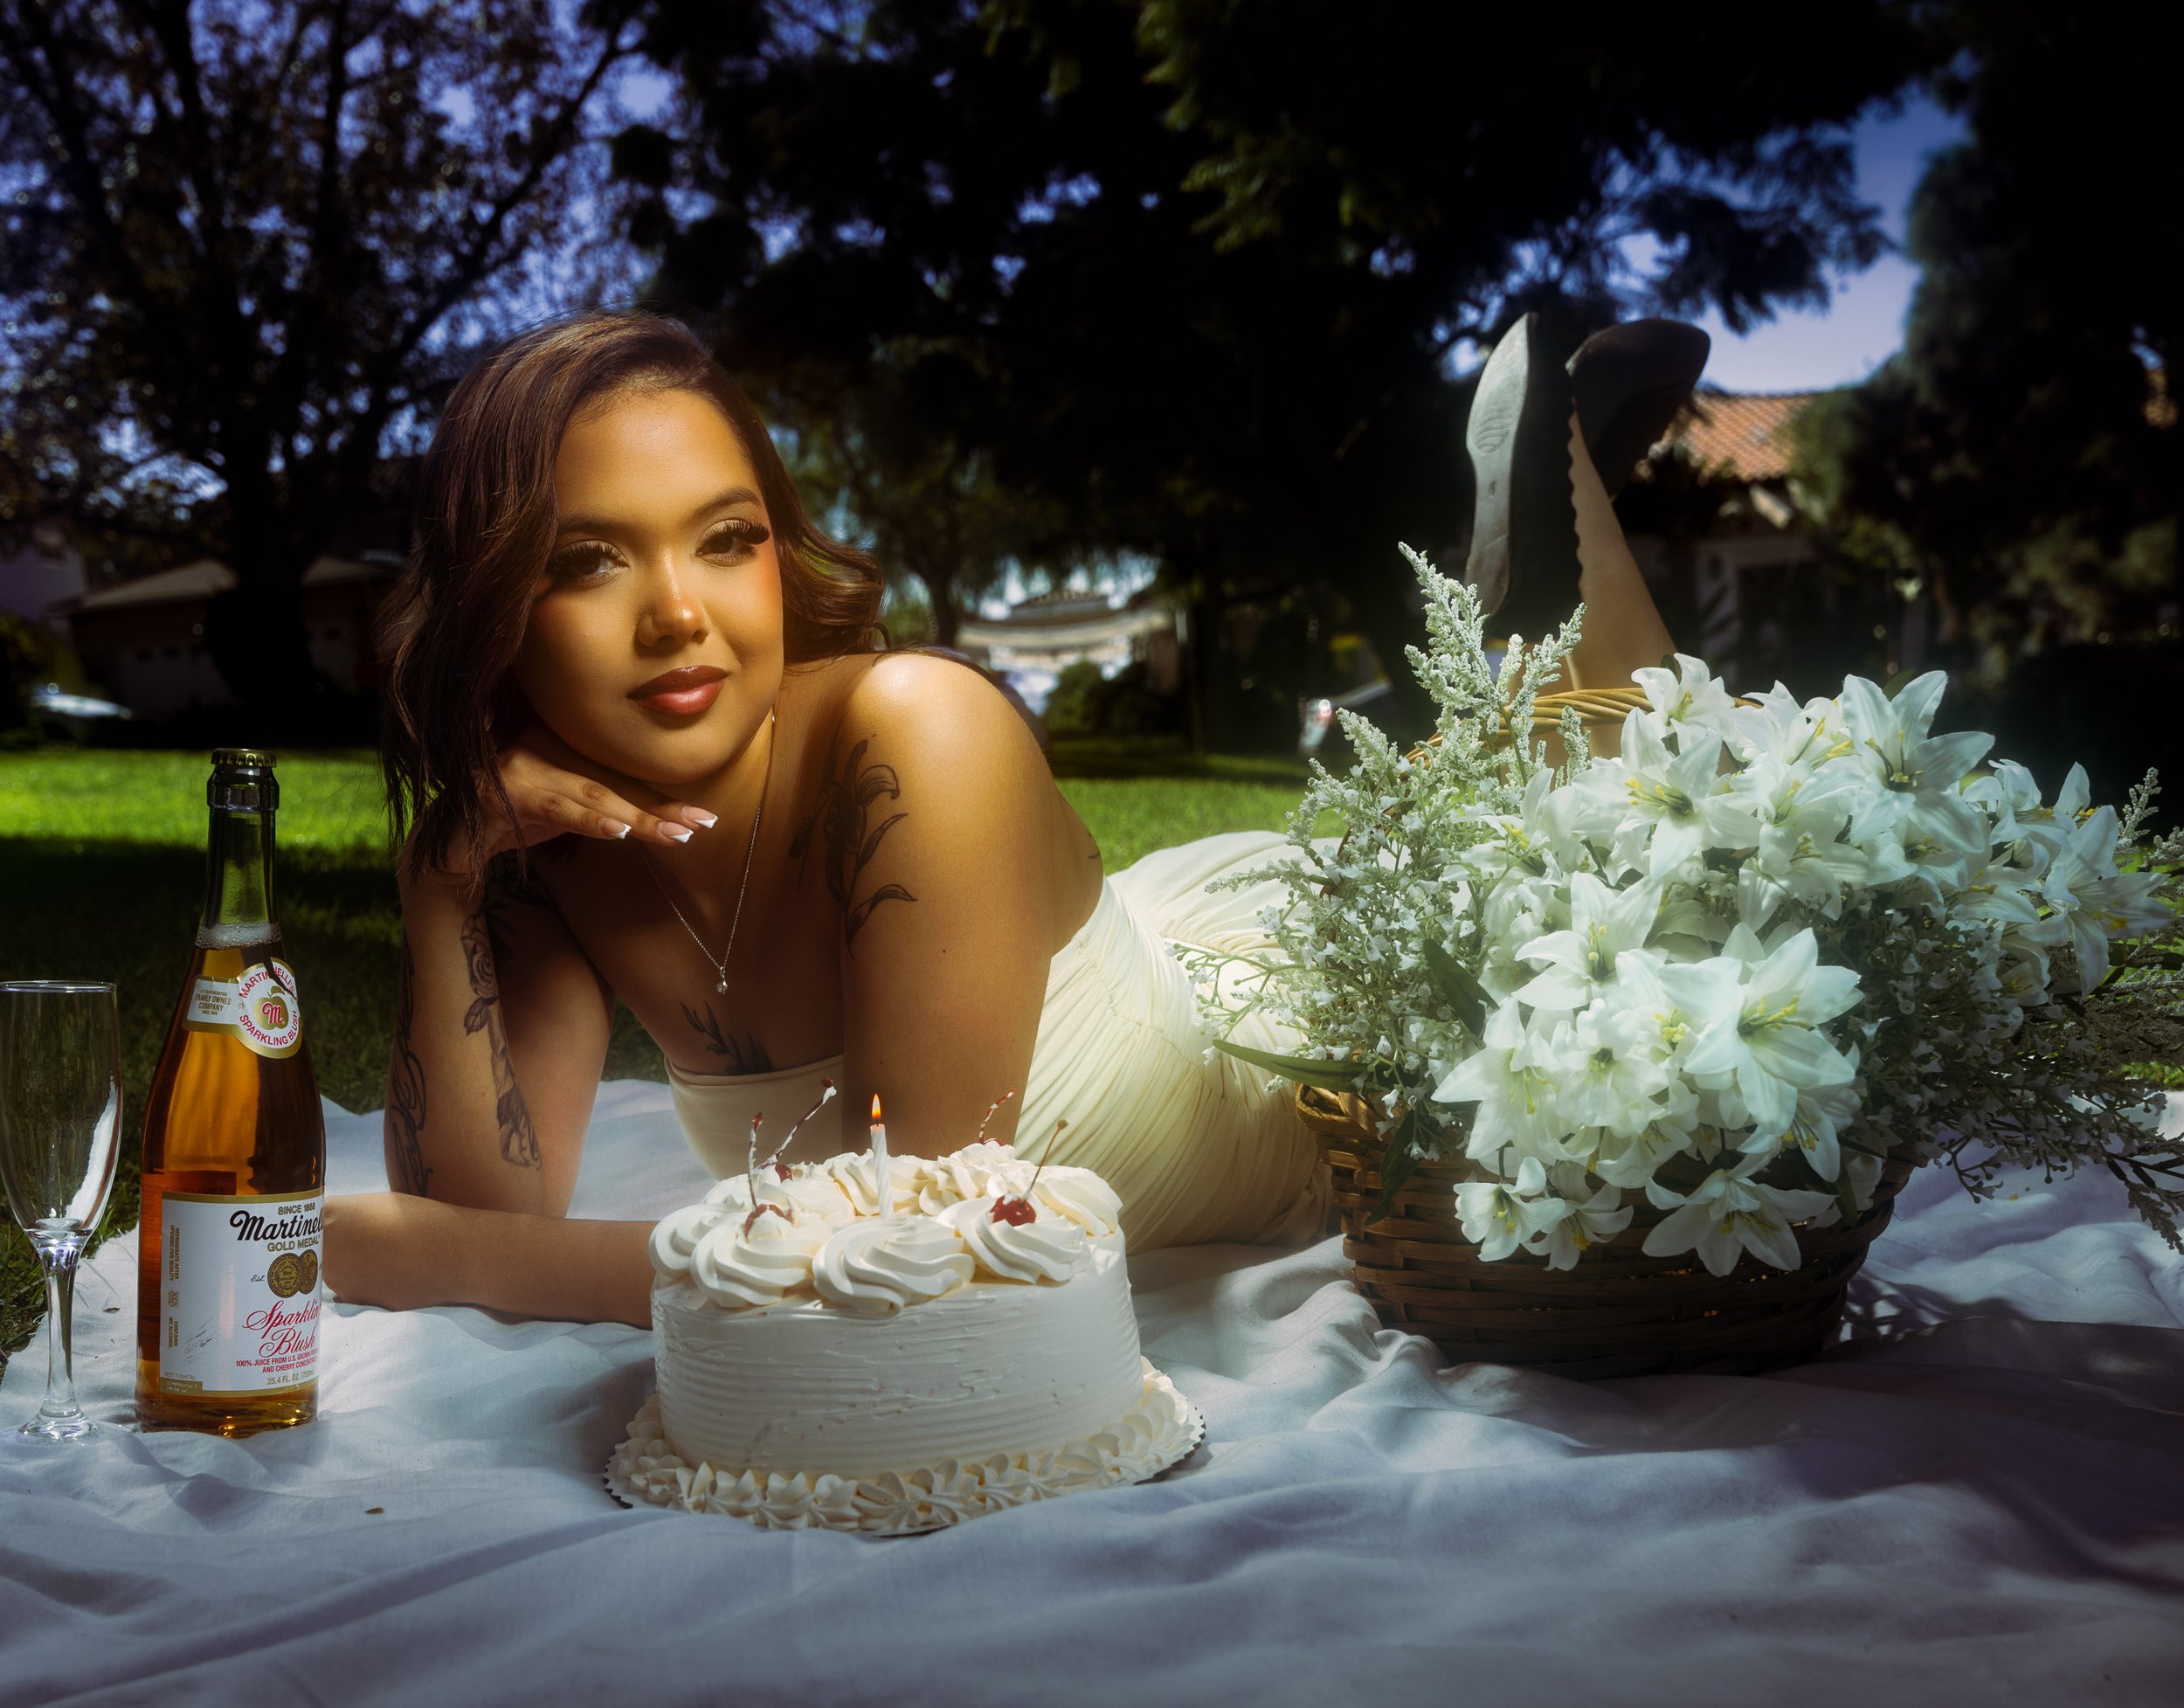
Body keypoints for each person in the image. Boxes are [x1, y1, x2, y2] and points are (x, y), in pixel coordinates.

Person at [325, 307, 1706, 1327]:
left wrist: (439, 1254)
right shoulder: (547, 845)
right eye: (588, 562)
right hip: (1070, 942)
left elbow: (911, 1241)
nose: (680, 611)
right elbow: (488, 1204)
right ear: (498, 612)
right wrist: (441, 880)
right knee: (1473, 794)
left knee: (1614, 838)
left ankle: (1543, 573)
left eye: (726, 537)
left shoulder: (919, 725)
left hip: (1245, 1044)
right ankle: (1491, 657)